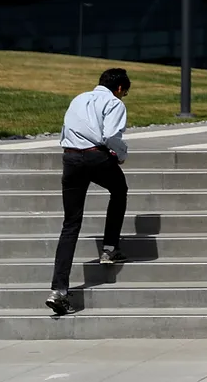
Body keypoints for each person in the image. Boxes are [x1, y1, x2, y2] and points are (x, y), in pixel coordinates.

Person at [46, 68, 132, 315]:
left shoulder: (79, 98)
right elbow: (110, 136)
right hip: (96, 157)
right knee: (119, 190)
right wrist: (122, 154)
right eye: (124, 92)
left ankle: (58, 290)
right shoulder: (114, 103)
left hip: (71, 158)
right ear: (119, 89)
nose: (123, 96)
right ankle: (109, 248)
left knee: (70, 224)